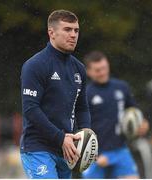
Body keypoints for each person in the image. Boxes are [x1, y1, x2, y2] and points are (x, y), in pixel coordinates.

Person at [20, 9, 91, 179]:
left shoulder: (79, 68)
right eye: (67, 29)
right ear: (51, 33)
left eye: (76, 30)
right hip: (38, 148)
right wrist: (60, 138)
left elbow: (82, 107)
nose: (73, 35)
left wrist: (87, 135)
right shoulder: (35, 65)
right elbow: (31, 110)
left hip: (66, 151)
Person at [82, 51, 149, 179]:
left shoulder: (121, 87)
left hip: (120, 149)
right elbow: (78, 127)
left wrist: (143, 123)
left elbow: (134, 111)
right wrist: (92, 153)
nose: (102, 72)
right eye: (97, 70)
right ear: (89, 72)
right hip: (95, 154)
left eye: (104, 68)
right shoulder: (85, 94)